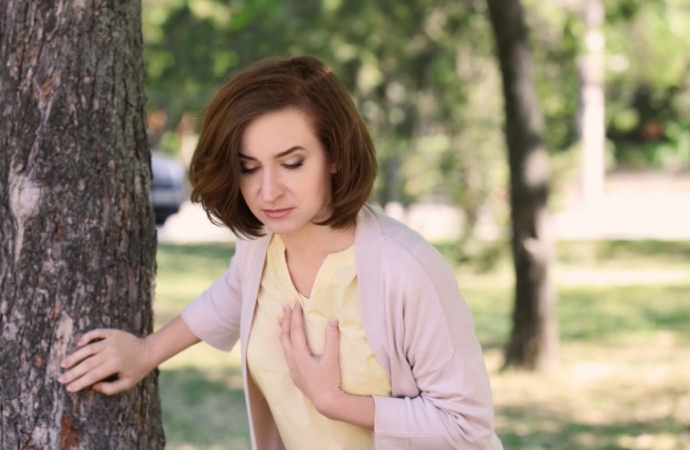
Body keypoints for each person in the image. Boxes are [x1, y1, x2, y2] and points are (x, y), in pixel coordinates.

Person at [59, 55, 504, 450]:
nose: (268, 191)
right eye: (248, 168)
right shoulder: (260, 246)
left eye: (292, 163)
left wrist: (334, 400)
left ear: (334, 154)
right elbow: (236, 293)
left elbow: (467, 426)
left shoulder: (405, 269)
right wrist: (146, 352)